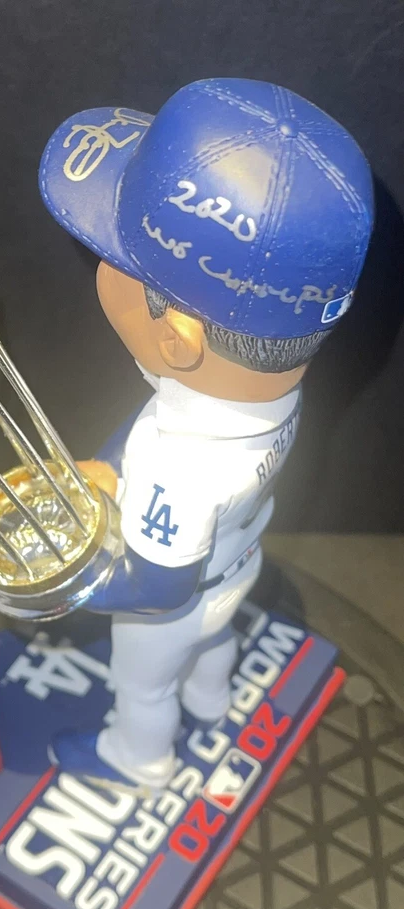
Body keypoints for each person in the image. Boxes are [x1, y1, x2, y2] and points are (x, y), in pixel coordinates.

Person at [39, 78, 373, 788]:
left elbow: (155, 590)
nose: (103, 268)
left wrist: (68, 581)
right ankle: (213, 700)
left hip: (174, 605)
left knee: (144, 685)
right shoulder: (271, 398)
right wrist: (110, 468)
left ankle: (139, 759)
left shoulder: (179, 464)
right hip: (238, 566)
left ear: (178, 338)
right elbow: (155, 416)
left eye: (118, 262)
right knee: (213, 645)